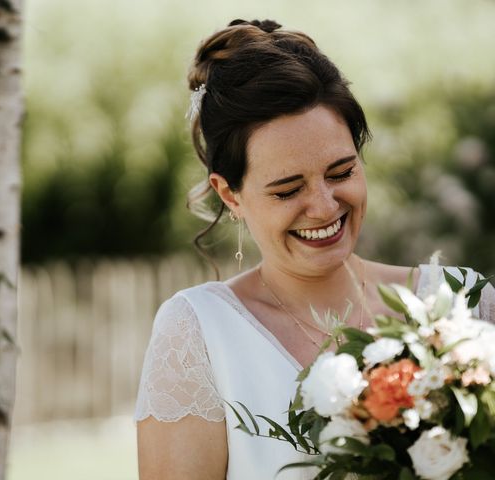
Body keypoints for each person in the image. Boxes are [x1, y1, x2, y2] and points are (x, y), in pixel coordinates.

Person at [133, 19, 495, 479]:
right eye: (287, 190)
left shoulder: (464, 304)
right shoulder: (198, 334)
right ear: (230, 195)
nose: (324, 207)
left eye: (341, 172)